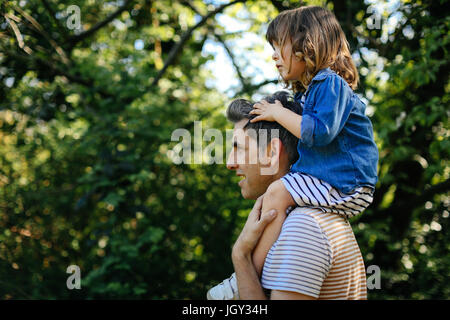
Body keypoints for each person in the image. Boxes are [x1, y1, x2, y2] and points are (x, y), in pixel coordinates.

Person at [208, 5, 378, 299]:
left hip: (346, 182)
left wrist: (276, 112)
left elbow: (318, 131)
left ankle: (242, 279)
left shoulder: (305, 229)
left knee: (275, 193)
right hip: (340, 182)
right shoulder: (313, 90)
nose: (274, 55)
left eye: (279, 46)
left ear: (307, 44)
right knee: (275, 196)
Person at [208, 91, 368, 299]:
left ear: (272, 153)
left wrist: (240, 257)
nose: (230, 163)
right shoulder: (306, 219)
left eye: (239, 148)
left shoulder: (303, 227)